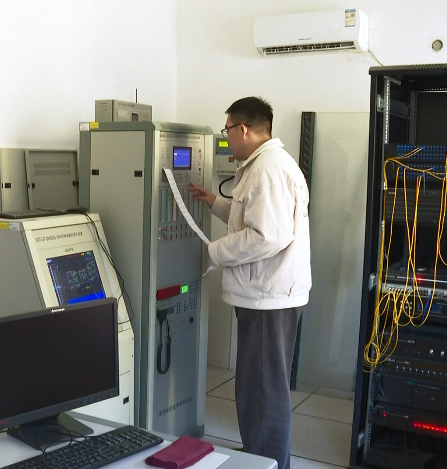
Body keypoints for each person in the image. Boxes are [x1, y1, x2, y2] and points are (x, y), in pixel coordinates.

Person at [189, 96, 311, 469]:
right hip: (269, 295)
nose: (226, 138)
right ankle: (263, 459)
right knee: (259, 387)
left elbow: (267, 236)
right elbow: (255, 216)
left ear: (243, 129)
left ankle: (266, 463)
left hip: (267, 299)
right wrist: (216, 203)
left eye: (227, 130)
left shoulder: (267, 169)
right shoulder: (266, 165)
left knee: (262, 393)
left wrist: (214, 251)